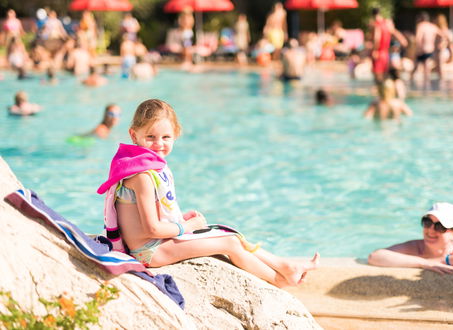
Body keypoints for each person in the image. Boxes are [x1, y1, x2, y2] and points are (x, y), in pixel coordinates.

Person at [97, 99, 320, 288]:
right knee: (229, 243)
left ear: (176, 134)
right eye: (150, 137)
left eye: (166, 137)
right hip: (149, 252)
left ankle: (284, 265)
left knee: (224, 231)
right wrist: (187, 227)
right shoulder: (142, 176)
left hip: (154, 244)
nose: (158, 144)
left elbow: (147, 216)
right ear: (134, 135)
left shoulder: (146, 166)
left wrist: (179, 219)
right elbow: (151, 228)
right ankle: (279, 281)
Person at [368, 203, 453, 274]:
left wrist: (443, 260)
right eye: (427, 222)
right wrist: (424, 263)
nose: (430, 230)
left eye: (440, 226)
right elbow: (375, 256)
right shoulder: (415, 247)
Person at [369, 7, 407, 85]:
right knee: (385, 77)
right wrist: (403, 40)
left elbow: (377, 38)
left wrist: (375, 50)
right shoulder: (387, 23)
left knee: (378, 78)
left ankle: (381, 95)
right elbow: (394, 32)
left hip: (379, 53)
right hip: (386, 54)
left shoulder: (376, 25)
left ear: (373, 15)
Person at [411, 12, 443, 86]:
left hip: (421, 50)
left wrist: (417, 49)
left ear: (420, 19)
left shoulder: (420, 26)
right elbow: (442, 35)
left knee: (415, 69)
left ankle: (411, 84)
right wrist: (441, 45)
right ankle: (428, 87)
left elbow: (418, 38)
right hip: (430, 51)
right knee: (427, 71)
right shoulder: (433, 26)